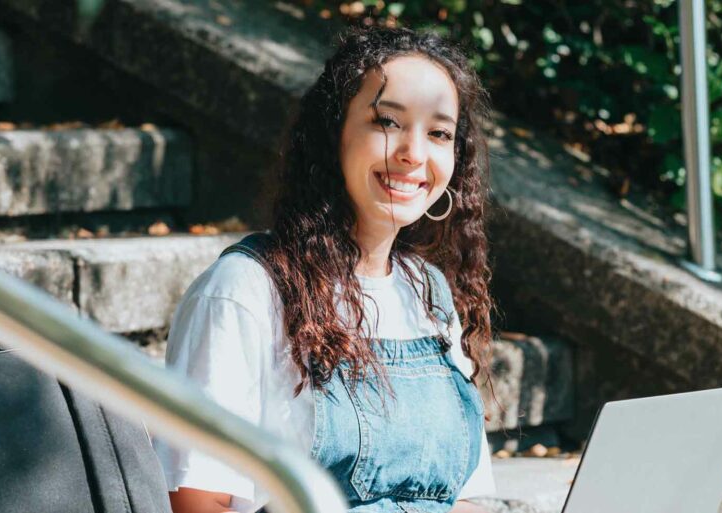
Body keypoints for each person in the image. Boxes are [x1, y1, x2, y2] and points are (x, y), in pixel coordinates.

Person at [153, 25, 498, 513]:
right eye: (387, 122)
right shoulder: (246, 289)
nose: (413, 155)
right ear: (331, 135)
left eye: (439, 133)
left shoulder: (430, 293)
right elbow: (196, 502)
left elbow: (468, 499)